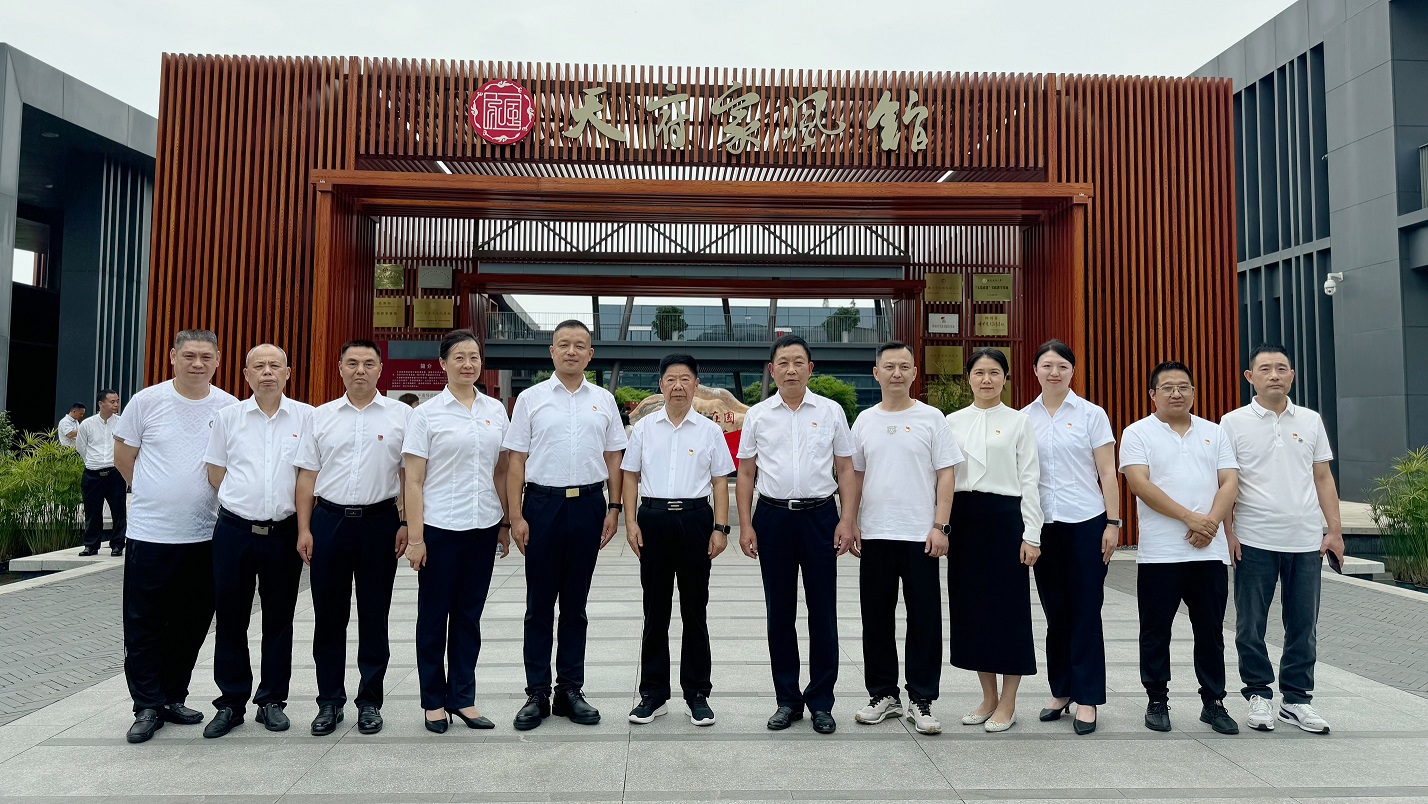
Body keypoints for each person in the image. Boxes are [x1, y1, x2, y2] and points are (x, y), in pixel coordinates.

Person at [113, 329, 238, 743]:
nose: (197, 364)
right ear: (172, 357)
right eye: (189, 356)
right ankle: (146, 705)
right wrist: (155, 492)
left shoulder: (228, 407)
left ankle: (172, 696)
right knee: (143, 623)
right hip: (151, 534)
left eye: (205, 356)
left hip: (206, 536)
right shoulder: (146, 401)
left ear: (218, 359)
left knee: (192, 623)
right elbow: (123, 457)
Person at [504, 320, 627, 730]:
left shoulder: (604, 400)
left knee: (575, 605)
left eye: (579, 345)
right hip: (542, 505)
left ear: (590, 354)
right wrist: (516, 515)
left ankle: (570, 690)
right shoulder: (530, 399)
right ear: (552, 351)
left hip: (589, 505)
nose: (571, 351)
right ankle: (537, 693)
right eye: (563, 344)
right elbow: (516, 460)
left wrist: (614, 508)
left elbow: (614, 458)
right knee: (539, 605)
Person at [736, 334, 858, 735]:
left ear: (810, 368)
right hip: (772, 518)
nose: (791, 370)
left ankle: (821, 702)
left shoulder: (831, 411)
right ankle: (787, 700)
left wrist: (847, 520)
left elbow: (845, 469)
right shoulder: (758, 415)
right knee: (780, 613)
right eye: (783, 363)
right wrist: (746, 524)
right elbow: (746, 473)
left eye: (798, 362)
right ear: (772, 370)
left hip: (820, 517)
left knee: (823, 612)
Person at [1221, 344, 1343, 734]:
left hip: (1305, 540)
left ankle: (1296, 700)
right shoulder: (1232, 422)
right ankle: (1258, 693)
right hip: (1253, 538)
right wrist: (1228, 532)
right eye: (1265, 369)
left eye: (1281, 368)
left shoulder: (1310, 420)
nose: (1274, 375)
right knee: (1250, 624)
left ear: (1292, 375)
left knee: (1303, 624)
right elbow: (1226, 482)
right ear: (1250, 377)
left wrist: (1334, 531)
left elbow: (1322, 477)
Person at [295, 340, 410, 737]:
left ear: (380, 369)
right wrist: (304, 528)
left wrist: (406, 522)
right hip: (329, 521)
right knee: (329, 617)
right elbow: (307, 477)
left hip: (380, 523)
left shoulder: (401, 416)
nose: (360, 370)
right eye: (352, 363)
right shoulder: (321, 416)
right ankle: (329, 701)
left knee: (375, 617)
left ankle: (370, 701)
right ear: (340, 367)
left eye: (368, 363)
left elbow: (409, 476)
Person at [1120, 360, 1240, 735]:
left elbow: (1230, 483)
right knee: (1156, 631)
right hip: (1160, 554)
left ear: (1193, 392)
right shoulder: (1137, 433)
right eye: (1168, 387)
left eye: (1184, 387)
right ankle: (1157, 699)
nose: (1176, 393)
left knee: (1211, 631)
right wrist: (1191, 519)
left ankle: (1213, 702)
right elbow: (1140, 485)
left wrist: (1210, 524)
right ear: (1152, 394)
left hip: (1209, 553)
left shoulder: (1214, 432)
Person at [200, 344, 314, 738]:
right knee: (230, 617)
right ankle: (231, 703)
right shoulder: (228, 417)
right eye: (258, 366)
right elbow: (215, 472)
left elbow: (309, 476)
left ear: (287, 373)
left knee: (279, 619)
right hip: (234, 531)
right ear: (246, 374)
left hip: (283, 533)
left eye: (274, 365)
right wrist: (243, 501)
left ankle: (271, 701)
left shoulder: (306, 417)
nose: (267, 372)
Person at [850, 341, 962, 735]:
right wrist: (850, 521)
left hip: (920, 535)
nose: (896, 373)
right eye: (889, 366)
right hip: (876, 533)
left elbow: (946, 474)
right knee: (876, 619)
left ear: (915, 373)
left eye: (904, 366)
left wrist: (941, 526)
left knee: (925, 619)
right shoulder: (864, 421)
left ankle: (922, 698)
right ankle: (883, 694)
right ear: (876, 373)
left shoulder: (932, 418)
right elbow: (855, 476)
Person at [402, 330, 510, 734]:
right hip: (439, 529)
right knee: (433, 618)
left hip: (483, 527)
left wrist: (504, 523)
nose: (468, 364)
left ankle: (463, 697)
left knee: (469, 617)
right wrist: (416, 539)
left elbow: (501, 471)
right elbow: (413, 480)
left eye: (474, 357)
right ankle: (433, 701)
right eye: (459, 357)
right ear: (443, 363)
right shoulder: (426, 415)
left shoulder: (495, 410)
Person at [621, 354, 734, 727]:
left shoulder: (709, 431)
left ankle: (697, 693)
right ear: (661, 385)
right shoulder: (643, 428)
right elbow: (630, 476)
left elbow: (720, 481)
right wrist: (630, 522)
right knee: (655, 611)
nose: (678, 386)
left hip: (695, 520)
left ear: (696, 385)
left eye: (685, 379)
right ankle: (653, 695)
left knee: (694, 610)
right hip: (653, 520)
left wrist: (720, 528)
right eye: (671, 379)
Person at [1022, 340, 1119, 735]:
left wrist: (1113, 523)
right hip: (1042, 526)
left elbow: (1108, 472)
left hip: (1086, 522)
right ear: (1035, 370)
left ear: (1072, 371)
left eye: (1062, 365)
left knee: (1085, 611)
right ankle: (1061, 690)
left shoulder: (1092, 414)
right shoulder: (1023, 417)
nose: (1054, 372)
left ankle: (1088, 697)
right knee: (1056, 613)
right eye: (1047, 365)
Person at [943, 347, 1041, 733]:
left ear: (1005, 378)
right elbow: (943, 478)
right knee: (972, 611)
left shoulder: (1019, 422)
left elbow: (1030, 479)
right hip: (965, 522)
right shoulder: (951, 422)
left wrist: (1031, 534)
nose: (986, 380)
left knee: (1009, 612)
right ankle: (988, 697)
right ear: (968, 377)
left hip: (1005, 521)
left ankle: (1009, 702)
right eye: (979, 372)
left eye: (994, 372)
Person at [74, 390, 126, 557]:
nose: (116, 404)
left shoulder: (122, 423)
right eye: (112, 401)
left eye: (117, 401)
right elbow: (81, 447)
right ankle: (91, 545)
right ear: (101, 404)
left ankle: (117, 545)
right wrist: (93, 462)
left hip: (115, 473)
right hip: (93, 474)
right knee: (92, 511)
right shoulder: (87, 424)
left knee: (118, 511)